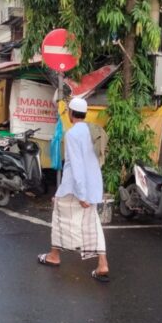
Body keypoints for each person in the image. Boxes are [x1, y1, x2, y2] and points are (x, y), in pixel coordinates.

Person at [36, 97, 109, 282]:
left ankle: (54, 256)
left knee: (60, 218)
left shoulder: (73, 134)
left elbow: (76, 166)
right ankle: (102, 264)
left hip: (74, 187)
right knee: (92, 224)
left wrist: (82, 195)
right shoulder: (92, 130)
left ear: (70, 113)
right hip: (92, 185)